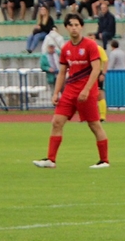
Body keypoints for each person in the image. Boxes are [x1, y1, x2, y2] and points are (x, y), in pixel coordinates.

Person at [33, 14, 110, 170]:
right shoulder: (66, 48)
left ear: (81, 26)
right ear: (67, 28)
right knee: (56, 122)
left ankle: (104, 161)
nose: (74, 27)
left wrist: (87, 89)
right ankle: (51, 159)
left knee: (94, 125)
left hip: (86, 92)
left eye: (76, 24)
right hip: (69, 91)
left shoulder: (90, 45)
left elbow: (96, 69)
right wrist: (56, 93)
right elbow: (62, 72)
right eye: (71, 25)